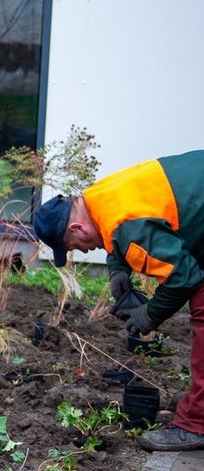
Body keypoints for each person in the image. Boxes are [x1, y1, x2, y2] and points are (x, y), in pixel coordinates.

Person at [33, 149, 204, 451]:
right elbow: (121, 223)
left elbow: (183, 278)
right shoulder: (99, 195)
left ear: (76, 228)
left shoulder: (127, 227)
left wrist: (149, 315)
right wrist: (117, 271)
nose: (82, 251)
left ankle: (196, 425)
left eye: (73, 246)